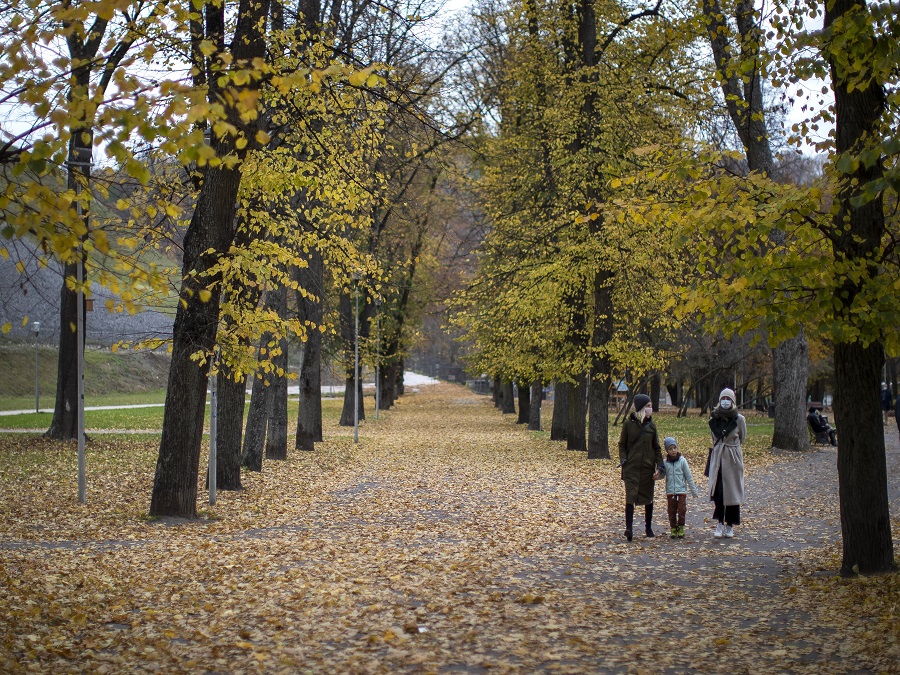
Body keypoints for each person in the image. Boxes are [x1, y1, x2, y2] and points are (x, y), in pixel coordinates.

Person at [618, 393, 664, 541]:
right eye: (648, 406)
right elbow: (622, 445)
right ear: (641, 408)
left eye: (651, 406)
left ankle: (648, 527)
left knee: (648, 497)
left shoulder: (652, 426)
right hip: (631, 467)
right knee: (630, 496)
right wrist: (624, 459)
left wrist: (660, 466)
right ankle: (629, 528)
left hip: (647, 468)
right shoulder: (628, 424)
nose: (651, 408)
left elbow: (656, 448)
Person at [708, 388, 746, 539]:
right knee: (719, 492)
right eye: (723, 398)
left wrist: (732, 449)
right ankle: (719, 522)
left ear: (733, 401)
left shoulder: (739, 419)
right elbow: (713, 437)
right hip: (718, 457)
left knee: (732, 493)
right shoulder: (714, 418)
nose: (725, 401)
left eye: (728, 399)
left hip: (733, 458)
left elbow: (742, 437)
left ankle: (730, 524)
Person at [661, 436, 699, 539]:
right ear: (667, 451)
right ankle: (673, 528)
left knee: (682, 510)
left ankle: (681, 527)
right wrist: (656, 475)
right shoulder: (665, 462)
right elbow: (661, 474)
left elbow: (688, 476)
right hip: (670, 492)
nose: (673, 450)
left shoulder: (682, 461)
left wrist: (693, 491)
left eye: (674, 448)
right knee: (671, 512)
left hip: (681, 491)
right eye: (670, 449)